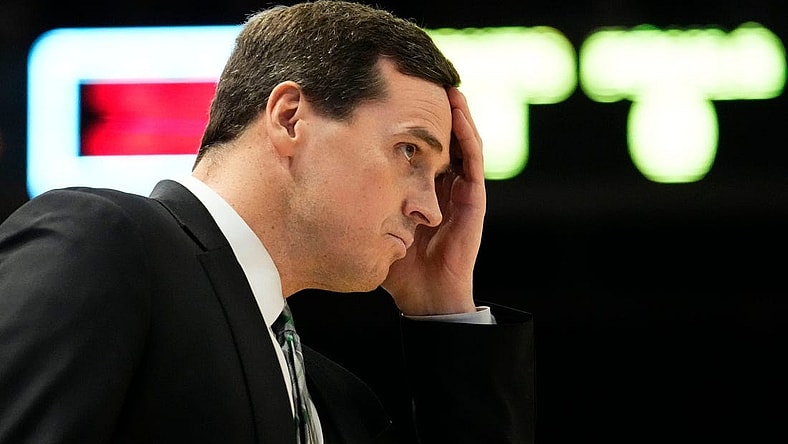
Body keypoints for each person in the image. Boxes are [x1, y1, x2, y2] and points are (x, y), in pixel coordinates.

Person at [0, 1, 534, 443]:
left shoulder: (340, 403)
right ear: (289, 118)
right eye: (409, 151)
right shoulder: (102, 240)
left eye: (438, 178)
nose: (432, 210)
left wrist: (445, 312)